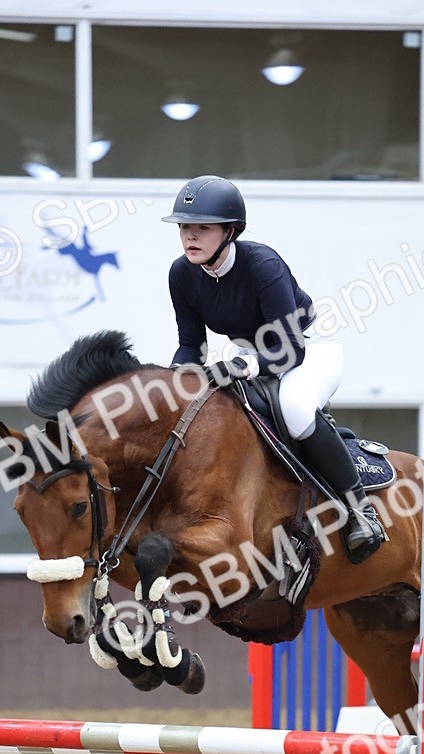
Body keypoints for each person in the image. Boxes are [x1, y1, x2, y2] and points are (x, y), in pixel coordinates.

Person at [162, 174, 386, 564]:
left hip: (308, 347)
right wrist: (170, 382)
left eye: (202, 228)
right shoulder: (181, 274)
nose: (189, 237)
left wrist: (241, 365)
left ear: (230, 231)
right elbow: (190, 344)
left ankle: (359, 510)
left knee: (295, 408)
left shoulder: (262, 264)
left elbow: (290, 350)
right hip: (249, 355)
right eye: (184, 227)